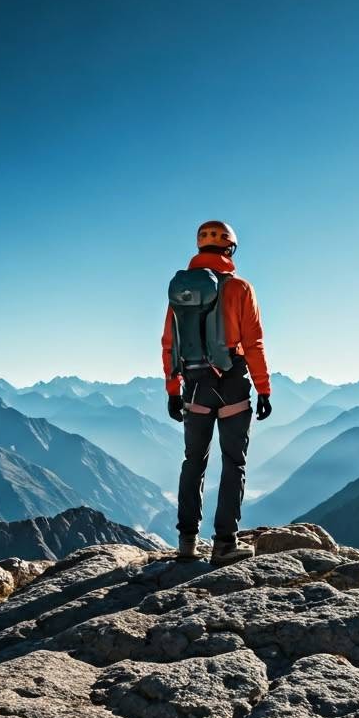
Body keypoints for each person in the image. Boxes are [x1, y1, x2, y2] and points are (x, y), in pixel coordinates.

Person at [162, 220, 272, 563]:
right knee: (233, 462)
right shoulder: (240, 288)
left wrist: (172, 388)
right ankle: (225, 543)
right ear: (230, 248)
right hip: (232, 382)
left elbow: (169, 342)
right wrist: (264, 389)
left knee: (193, 461)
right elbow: (253, 343)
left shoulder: (181, 291)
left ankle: (186, 543)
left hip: (194, 383)